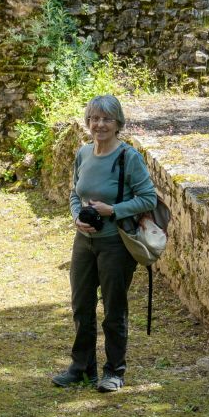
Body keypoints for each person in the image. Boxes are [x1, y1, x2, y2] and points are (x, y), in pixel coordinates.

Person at [52, 94, 157, 393]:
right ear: (88, 122)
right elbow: (75, 193)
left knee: (114, 309)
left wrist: (113, 211)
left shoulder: (128, 157)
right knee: (81, 305)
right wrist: (76, 216)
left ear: (118, 123)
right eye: (95, 119)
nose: (100, 124)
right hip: (84, 241)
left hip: (115, 244)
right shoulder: (83, 154)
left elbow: (148, 198)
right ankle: (81, 368)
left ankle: (114, 371)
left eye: (107, 119)